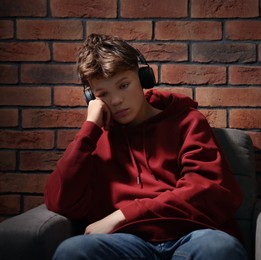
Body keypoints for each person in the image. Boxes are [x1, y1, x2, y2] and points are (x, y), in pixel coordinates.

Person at [44, 33, 247, 260]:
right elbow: (59, 201)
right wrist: (89, 128)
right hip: (126, 243)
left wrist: (123, 215)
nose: (117, 100)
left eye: (123, 85)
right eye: (103, 94)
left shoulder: (188, 121)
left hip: (192, 234)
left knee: (220, 249)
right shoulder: (95, 140)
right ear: (92, 97)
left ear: (143, 77)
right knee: (72, 251)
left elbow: (206, 189)